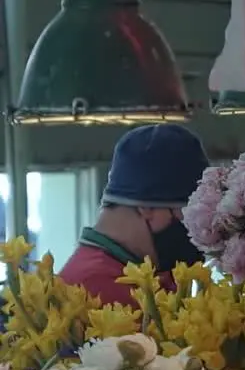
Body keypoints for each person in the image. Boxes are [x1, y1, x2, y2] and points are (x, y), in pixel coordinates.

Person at [59, 124, 209, 306]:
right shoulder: (92, 291)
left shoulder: (147, 273)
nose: (198, 229)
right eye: (188, 214)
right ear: (147, 207)